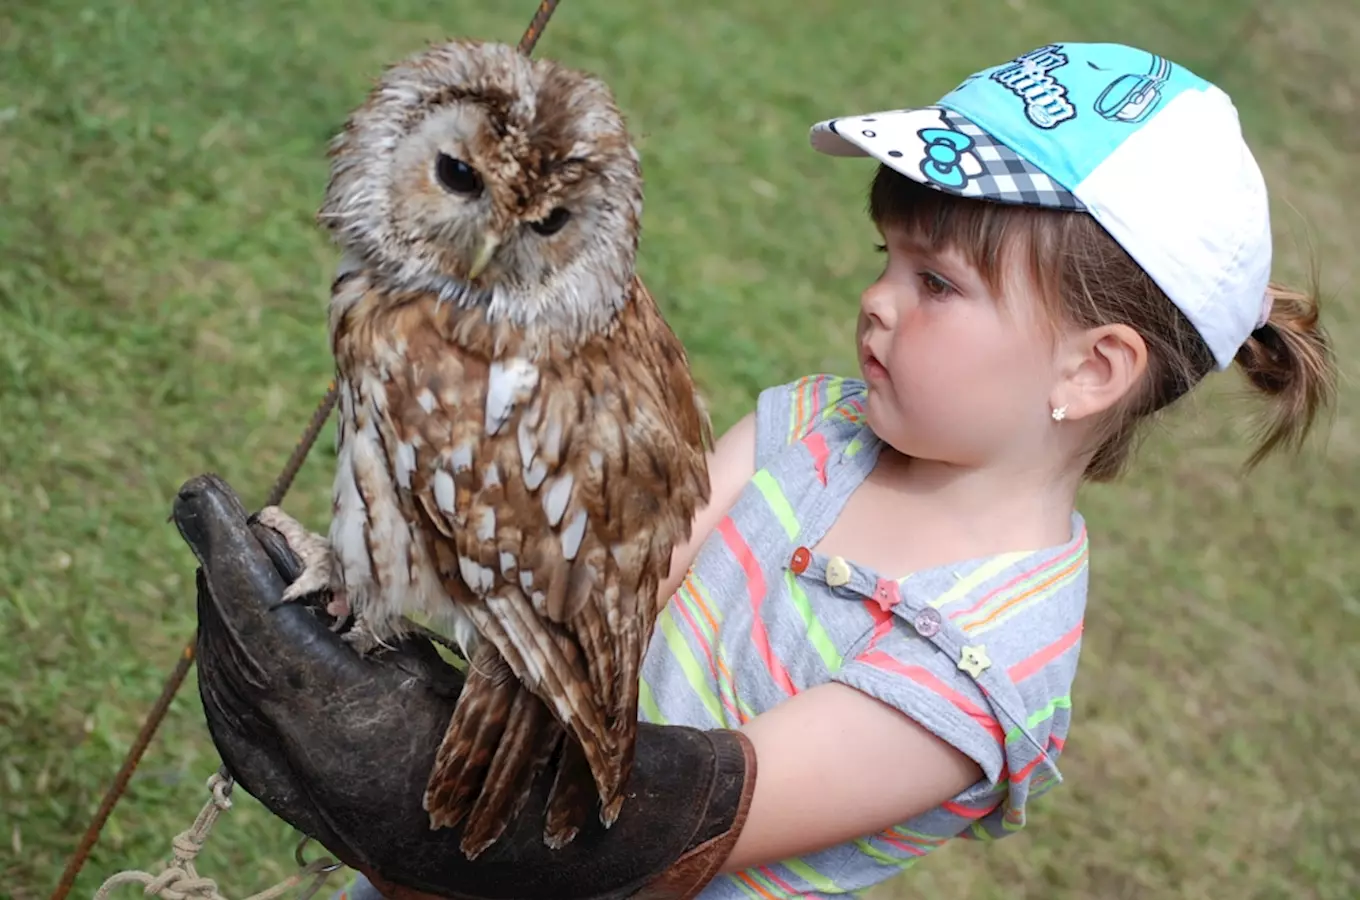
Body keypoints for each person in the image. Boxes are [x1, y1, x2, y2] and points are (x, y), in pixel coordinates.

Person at [183, 41, 1336, 900]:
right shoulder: (814, 430)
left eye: (934, 285)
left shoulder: (986, 665)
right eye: (884, 257)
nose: (877, 301)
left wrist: (417, 779)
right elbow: (601, 605)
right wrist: (404, 604)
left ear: (1092, 371)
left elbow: (697, 819)